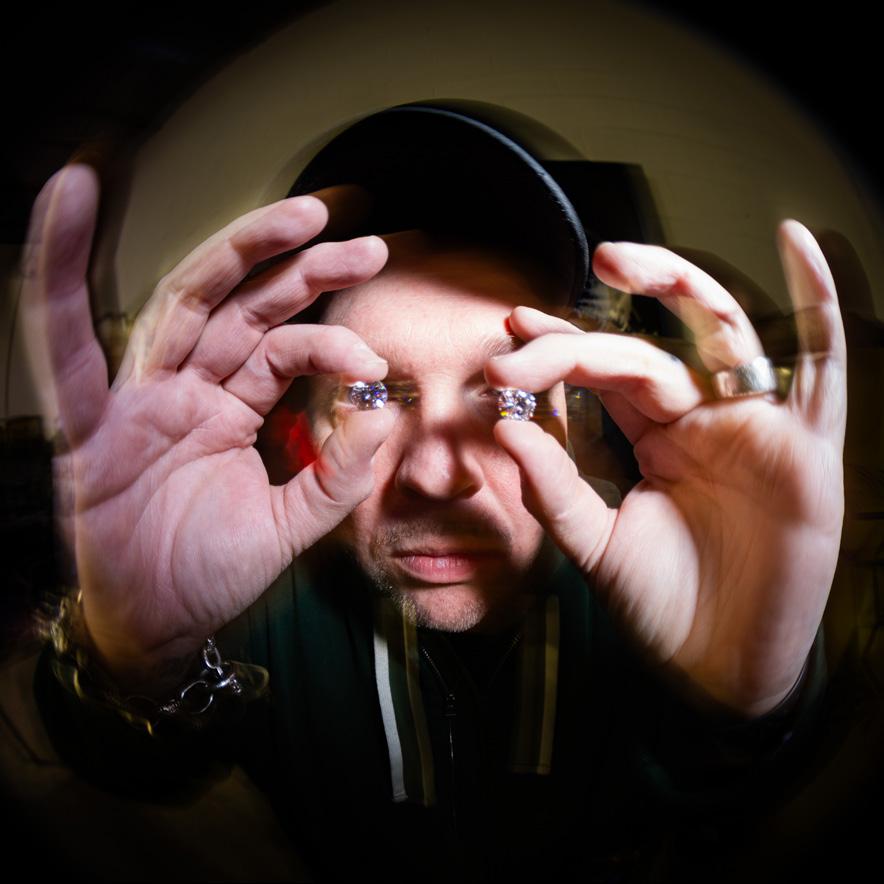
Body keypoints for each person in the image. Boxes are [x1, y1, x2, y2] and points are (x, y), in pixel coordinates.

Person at [20, 104, 845, 881]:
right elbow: (137, 772)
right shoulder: (254, 600)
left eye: (507, 397)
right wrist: (132, 658)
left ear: (579, 421)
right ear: (306, 422)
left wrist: (751, 706)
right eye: (375, 393)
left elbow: (727, 816)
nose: (438, 476)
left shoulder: (660, 590)